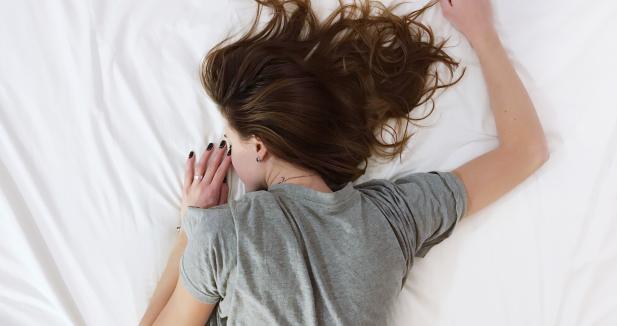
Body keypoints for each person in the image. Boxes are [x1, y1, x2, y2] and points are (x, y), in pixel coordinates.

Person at [141, 0, 549, 324]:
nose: (229, 155)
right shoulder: (394, 217)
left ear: (261, 147)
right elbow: (526, 150)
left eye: (231, 143)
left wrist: (191, 226)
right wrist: (482, 33)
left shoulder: (223, 233)